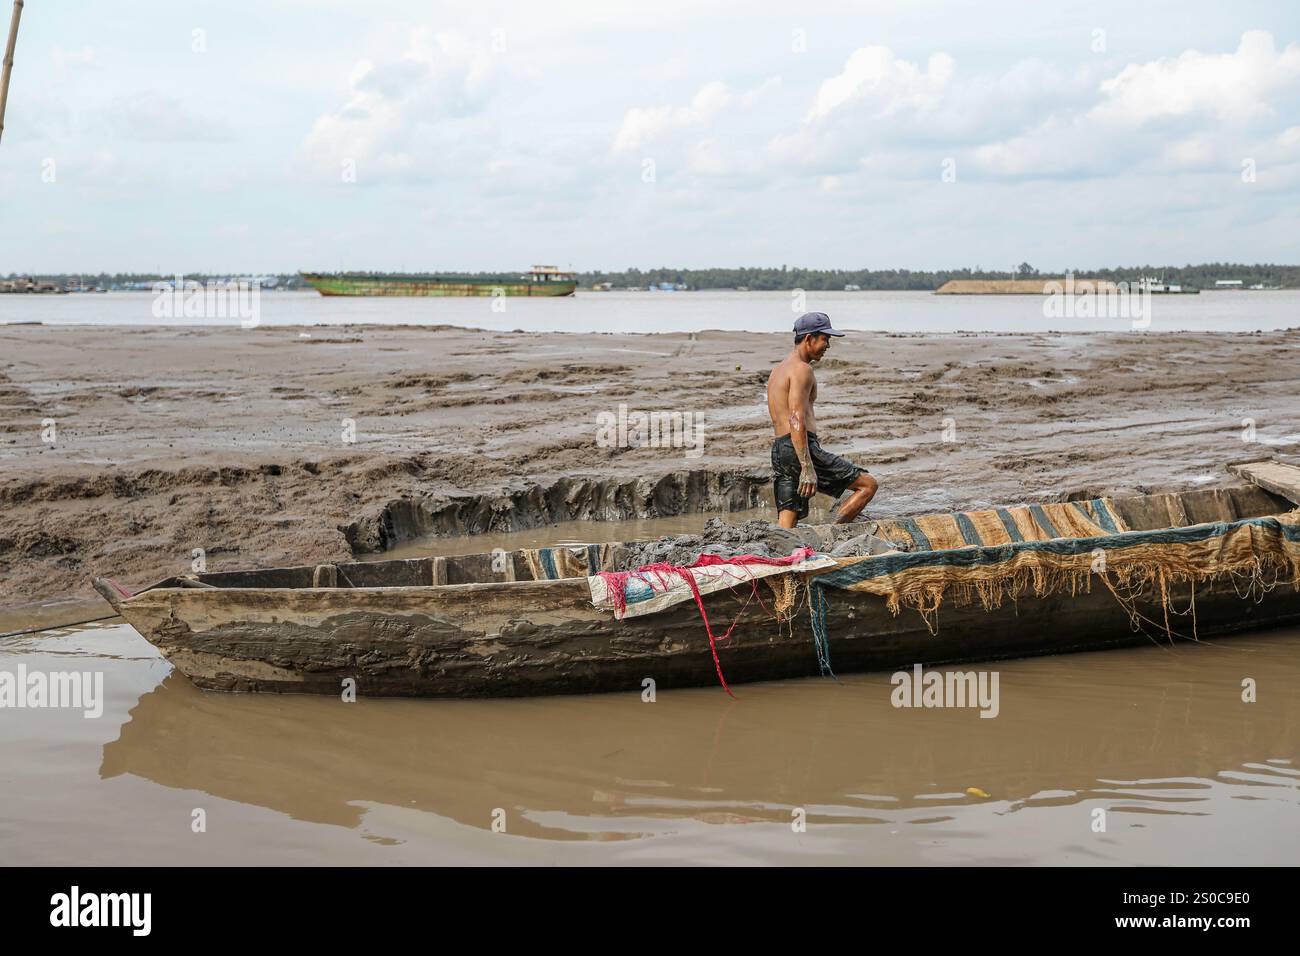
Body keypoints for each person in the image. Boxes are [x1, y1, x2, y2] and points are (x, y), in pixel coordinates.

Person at [766, 312, 878, 528]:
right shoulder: (802, 369)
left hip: (781, 448)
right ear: (809, 339)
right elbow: (796, 418)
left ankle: (782, 556)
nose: (828, 345)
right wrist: (807, 466)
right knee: (868, 485)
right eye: (825, 339)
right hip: (799, 444)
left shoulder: (777, 371)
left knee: (788, 516)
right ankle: (832, 534)